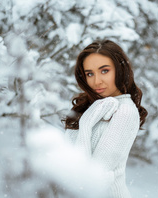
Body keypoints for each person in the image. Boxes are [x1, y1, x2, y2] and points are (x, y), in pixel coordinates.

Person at [64, 40, 147, 198]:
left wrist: (86, 125)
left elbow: (91, 179)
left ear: (120, 70)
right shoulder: (91, 107)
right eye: (90, 74)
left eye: (104, 71)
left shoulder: (125, 111)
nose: (96, 81)